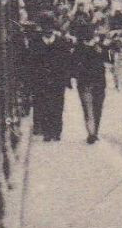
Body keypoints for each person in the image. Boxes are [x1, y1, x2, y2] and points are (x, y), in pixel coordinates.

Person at [70, 12, 113, 145]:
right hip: (98, 80)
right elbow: (109, 60)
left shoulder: (78, 47)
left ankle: (92, 132)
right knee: (97, 107)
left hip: (84, 81)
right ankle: (94, 132)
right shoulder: (99, 46)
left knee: (88, 108)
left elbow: (73, 64)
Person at [31, 11, 71, 141]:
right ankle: (47, 132)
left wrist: (66, 78)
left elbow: (66, 61)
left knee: (58, 105)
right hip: (41, 80)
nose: (47, 28)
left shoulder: (61, 42)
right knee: (44, 104)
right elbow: (31, 62)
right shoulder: (35, 42)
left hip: (57, 80)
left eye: (49, 26)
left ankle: (57, 131)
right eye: (44, 26)